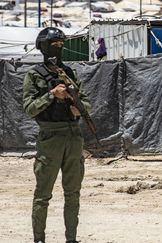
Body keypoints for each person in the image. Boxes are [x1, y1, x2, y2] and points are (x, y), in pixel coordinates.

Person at [23, 27, 91, 243]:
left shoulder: (69, 73)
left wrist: (79, 109)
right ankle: (39, 239)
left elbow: (86, 100)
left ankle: (71, 239)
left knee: (73, 194)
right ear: (43, 46)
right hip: (50, 137)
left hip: (73, 137)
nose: (58, 48)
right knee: (43, 195)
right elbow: (29, 108)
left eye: (61, 45)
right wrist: (52, 95)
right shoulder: (34, 75)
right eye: (54, 44)